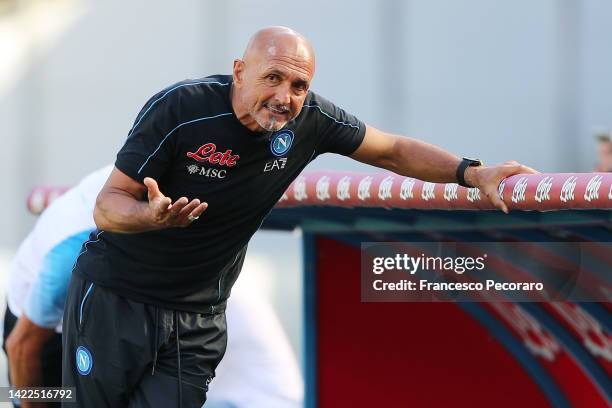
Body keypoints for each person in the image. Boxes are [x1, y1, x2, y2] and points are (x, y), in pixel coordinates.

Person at [62, 26, 536, 407]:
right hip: (117, 297)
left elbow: (391, 150)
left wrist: (473, 172)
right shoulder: (182, 109)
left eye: (299, 85)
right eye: (272, 78)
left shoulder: (310, 121)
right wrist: (152, 217)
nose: (285, 96)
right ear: (239, 72)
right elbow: (108, 207)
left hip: (198, 317)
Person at [4, 165, 302, 408]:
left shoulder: (180, 179)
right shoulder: (72, 253)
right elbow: (20, 347)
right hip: (45, 337)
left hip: (122, 304)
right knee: (43, 395)